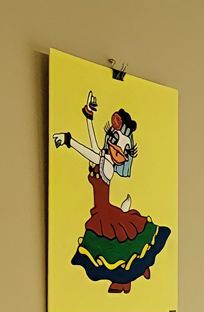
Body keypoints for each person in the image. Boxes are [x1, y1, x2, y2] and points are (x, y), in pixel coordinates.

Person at [52, 91, 171, 294]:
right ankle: (138, 270)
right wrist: (88, 119)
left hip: (104, 212)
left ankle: (126, 278)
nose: (119, 151)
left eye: (125, 150)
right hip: (102, 211)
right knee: (113, 250)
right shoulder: (103, 159)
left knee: (116, 251)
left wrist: (69, 140)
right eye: (115, 141)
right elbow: (94, 147)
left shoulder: (106, 166)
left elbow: (91, 152)